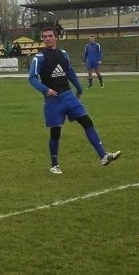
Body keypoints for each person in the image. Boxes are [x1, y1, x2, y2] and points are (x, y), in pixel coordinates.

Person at [28, 27, 120, 175]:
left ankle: (103, 156)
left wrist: (79, 89)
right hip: (53, 101)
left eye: (50, 36)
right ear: (42, 39)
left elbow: (69, 72)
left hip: (69, 96)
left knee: (87, 122)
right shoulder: (39, 57)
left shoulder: (63, 54)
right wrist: (45, 90)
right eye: (45, 37)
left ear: (55, 38)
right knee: (55, 133)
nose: (47, 39)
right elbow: (32, 78)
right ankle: (54, 165)